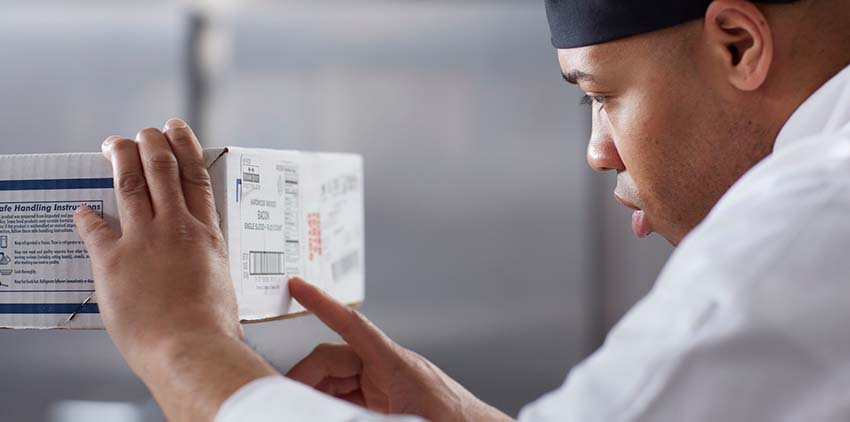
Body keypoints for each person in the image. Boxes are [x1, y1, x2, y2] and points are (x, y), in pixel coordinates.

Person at [72, 0, 850, 420]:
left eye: (605, 96)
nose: (599, 151)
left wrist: (179, 343)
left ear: (739, 45)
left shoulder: (813, 219)